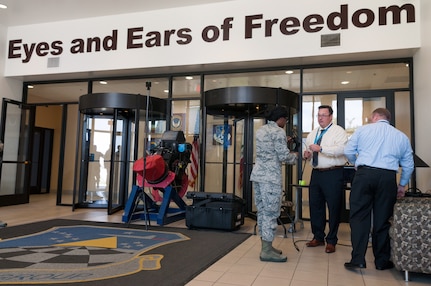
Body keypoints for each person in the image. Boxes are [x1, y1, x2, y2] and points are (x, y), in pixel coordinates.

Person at [344, 108, 414, 270]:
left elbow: (348, 150)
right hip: (387, 178)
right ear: (387, 119)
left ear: (375, 117)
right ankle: (382, 261)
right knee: (382, 220)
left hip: (364, 174)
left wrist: (356, 163)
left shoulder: (363, 130)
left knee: (359, 217)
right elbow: (408, 165)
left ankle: (358, 259)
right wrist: (402, 185)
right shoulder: (401, 136)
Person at [250, 106, 298, 262]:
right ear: (281, 119)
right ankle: (266, 251)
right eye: (286, 119)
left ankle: (267, 246)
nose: (286, 122)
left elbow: (269, 149)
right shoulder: (278, 131)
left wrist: (285, 140)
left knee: (263, 212)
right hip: (270, 178)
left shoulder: (261, 130)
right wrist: (297, 156)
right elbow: (284, 156)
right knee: (271, 213)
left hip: (257, 176)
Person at [303, 105, 348, 253]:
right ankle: (318, 237)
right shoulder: (313, 133)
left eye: (323, 115)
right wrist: (307, 154)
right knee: (315, 206)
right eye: (318, 115)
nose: (320, 118)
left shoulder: (339, 131)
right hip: (316, 173)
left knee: (334, 207)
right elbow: (310, 149)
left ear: (330, 116)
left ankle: (332, 240)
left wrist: (321, 149)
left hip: (333, 173)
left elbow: (342, 150)